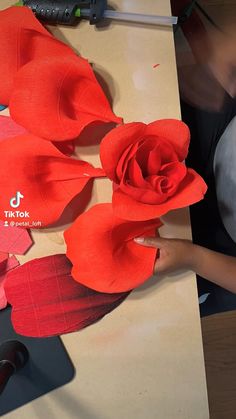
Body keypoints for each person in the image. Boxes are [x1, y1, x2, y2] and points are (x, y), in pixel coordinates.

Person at [136, 3, 236, 315]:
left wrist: (194, 258)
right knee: (143, 106)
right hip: (219, 129)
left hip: (219, 246)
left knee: (160, 297)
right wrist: (220, 50)